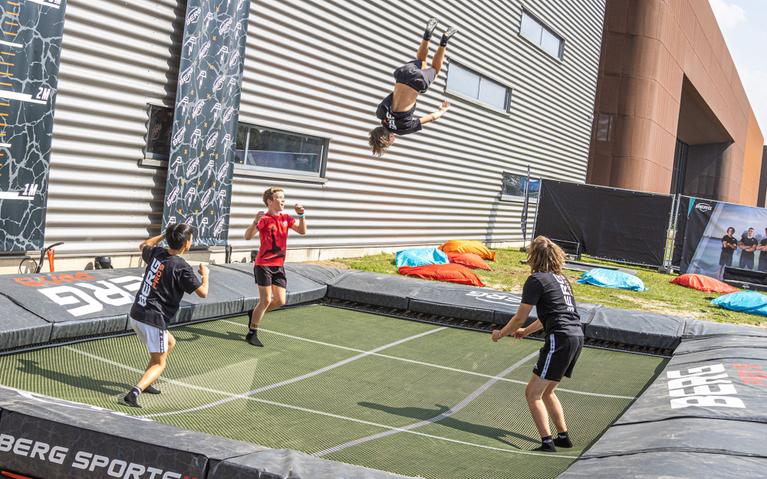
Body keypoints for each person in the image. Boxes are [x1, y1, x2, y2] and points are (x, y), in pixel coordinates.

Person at [491, 236, 583, 453]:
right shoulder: (561, 279)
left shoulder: (536, 280)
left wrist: (501, 333)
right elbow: (548, 316)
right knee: (548, 391)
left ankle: (547, 442)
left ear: (533, 256)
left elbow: (519, 317)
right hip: (576, 336)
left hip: (559, 339)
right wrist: (525, 332)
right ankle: (563, 436)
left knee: (533, 393)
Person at [123, 224, 209, 408]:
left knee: (170, 343)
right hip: (153, 319)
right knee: (159, 364)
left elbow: (144, 244)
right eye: (191, 239)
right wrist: (205, 276)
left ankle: (147, 383)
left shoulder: (157, 253)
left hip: (137, 313)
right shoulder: (182, 267)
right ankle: (134, 393)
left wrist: (164, 234)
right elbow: (203, 293)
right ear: (186, 244)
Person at [369, 17, 458, 156]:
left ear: (390, 138)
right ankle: (427, 35)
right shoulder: (380, 114)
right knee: (421, 61)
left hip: (416, 82)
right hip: (402, 75)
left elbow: (432, 118)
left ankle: (444, 41)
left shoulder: (402, 129)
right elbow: (392, 96)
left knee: (435, 69)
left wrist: (443, 110)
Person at [243, 187, 307, 347]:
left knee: (280, 301)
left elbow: (302, 231)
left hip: (279, 265)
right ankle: (251, 333)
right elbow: (247, 236)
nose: (283, 200)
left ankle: (254, 313)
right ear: (269, 202)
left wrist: (302, 215)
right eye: (279, 197)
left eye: (284, 198)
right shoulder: (264, 219)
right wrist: (255, 221)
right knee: (265, 300)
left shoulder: (286, 218)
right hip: (263, 264)